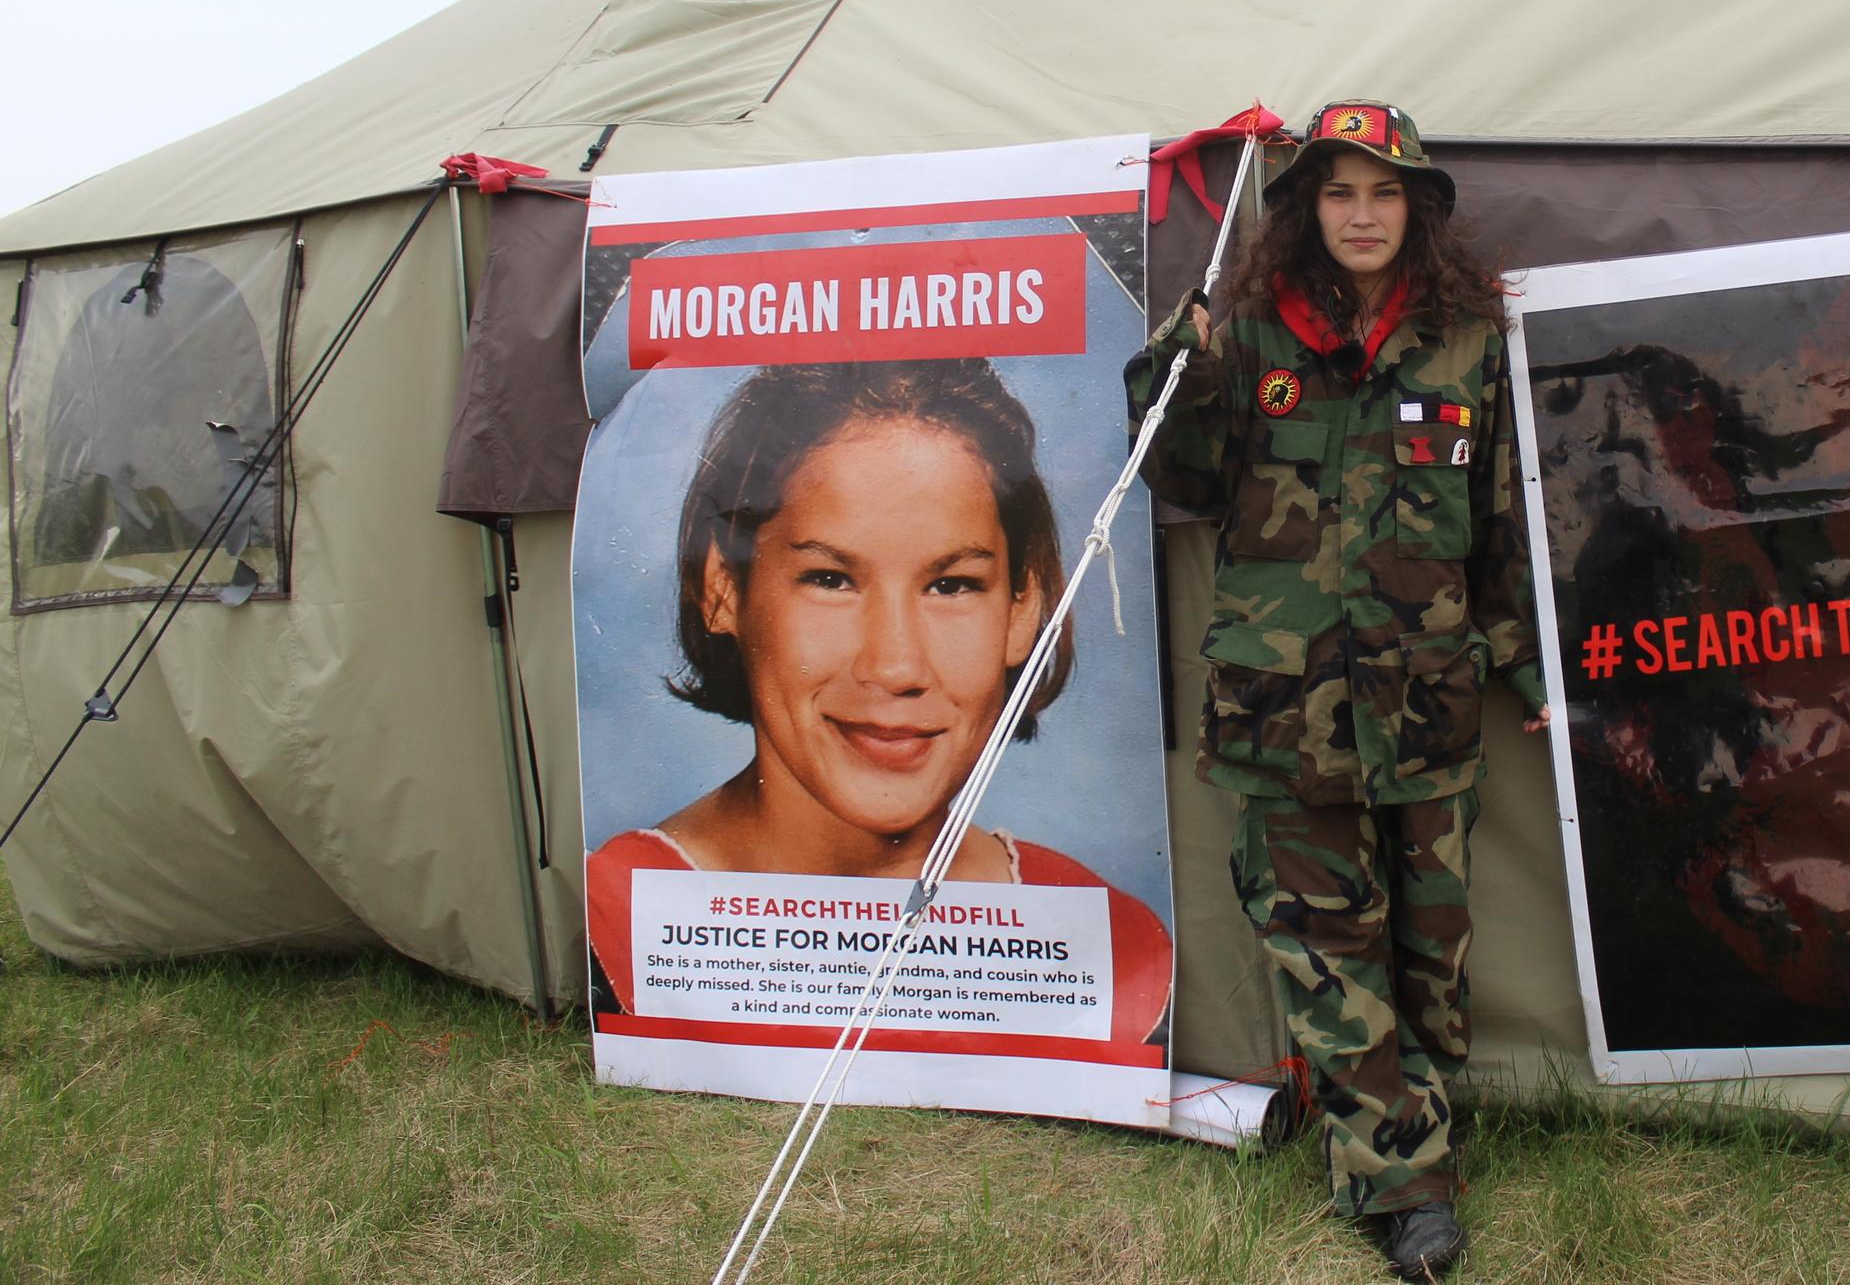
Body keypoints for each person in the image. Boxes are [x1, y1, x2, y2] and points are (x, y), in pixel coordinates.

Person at [1126, 102, 1542, 1281]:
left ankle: (1407, 1119)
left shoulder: (1467, 342)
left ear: (1420, 210)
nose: (1362, 216)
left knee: (1430, 950)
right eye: (1339, 193)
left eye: (1385, 193)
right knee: (1324, 941)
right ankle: (1406, 1187)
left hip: (1426, 698)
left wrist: (1523, 665)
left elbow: (1499, 521)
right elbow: (1188, 477)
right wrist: (1183, 367)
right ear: (1303, 208)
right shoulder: (1248, 334)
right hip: (1282, 701)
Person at [585, 358, 1172, 1047]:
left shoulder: (1100, 928)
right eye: (831, 579)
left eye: (952, 586)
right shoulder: (624, 907)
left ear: (1025, 605)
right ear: (723, 589)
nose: (895, 666)